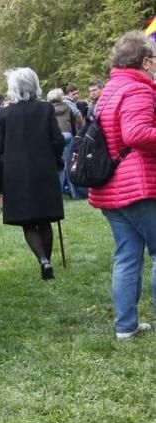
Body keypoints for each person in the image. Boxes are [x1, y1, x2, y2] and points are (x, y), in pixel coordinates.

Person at [88, 31, 156, 340]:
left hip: (110, 188)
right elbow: (136, 134)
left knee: (127, 256)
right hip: (139, 186)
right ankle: (128, 324)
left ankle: (126, 327)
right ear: (145, 61)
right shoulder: (138, 89)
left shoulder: (110, 89)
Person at [0, 68, 65, 280]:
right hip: (43, 169)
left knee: (27, 221)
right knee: (45, 219)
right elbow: (58, 140)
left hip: (16, 174)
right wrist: (55, 157)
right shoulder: (45, 109)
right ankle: (47, 262)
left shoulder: (4, 114)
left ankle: (43, 259)